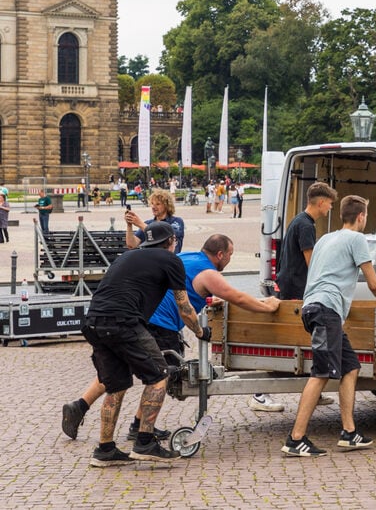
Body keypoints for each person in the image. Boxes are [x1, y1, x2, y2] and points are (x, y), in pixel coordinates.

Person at [61, 234, 283, 441]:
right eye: (230, 255)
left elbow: (190, 287)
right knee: (160, 375)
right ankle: (140, 428)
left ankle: (80, 405)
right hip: (163, 325)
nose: (230, 261)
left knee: (119, 368)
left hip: (144, 315)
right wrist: (267, 306)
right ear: (220, 255)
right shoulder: (208, 272)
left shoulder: (186, 257)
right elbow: (237, 297)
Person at [282, 195, 376, 457]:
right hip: (326, 310)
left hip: (316, 307)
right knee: (321, 373)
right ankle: (296, 438)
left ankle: (349, 432)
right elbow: (372, 282)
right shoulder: (357, 239)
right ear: (361, 216)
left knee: (350, 367)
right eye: (366, 216)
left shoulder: (326, 238)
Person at [79, 220, 203, 466]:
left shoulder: (128, 256)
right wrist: (200, 331)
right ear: (171, 242)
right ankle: (145, 442)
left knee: (115, 386)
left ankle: (105, 450)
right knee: (159, 375)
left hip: (94, 321)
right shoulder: (171, 260)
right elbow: (184, 306)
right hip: (124, 321)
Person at [250, 182, 338, 413]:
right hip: (297, 289)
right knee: (292, 340)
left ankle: (313, 389)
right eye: (329, 204)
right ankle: (260, 393)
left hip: (291, 284)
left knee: (303, 340)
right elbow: (312, 262)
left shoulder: (299, 220)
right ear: (320, 202)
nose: (329, 209)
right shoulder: (306, 226)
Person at [125, 188, 185, 253]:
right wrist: (129, 225)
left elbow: (165, 238)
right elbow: (131, 245)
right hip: (152, 261)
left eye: (158, 204)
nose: (153, 207)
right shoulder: (148, 223)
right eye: (152, 204)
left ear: (167, 206)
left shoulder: (176, 222)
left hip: (170, 260)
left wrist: (140, 224)